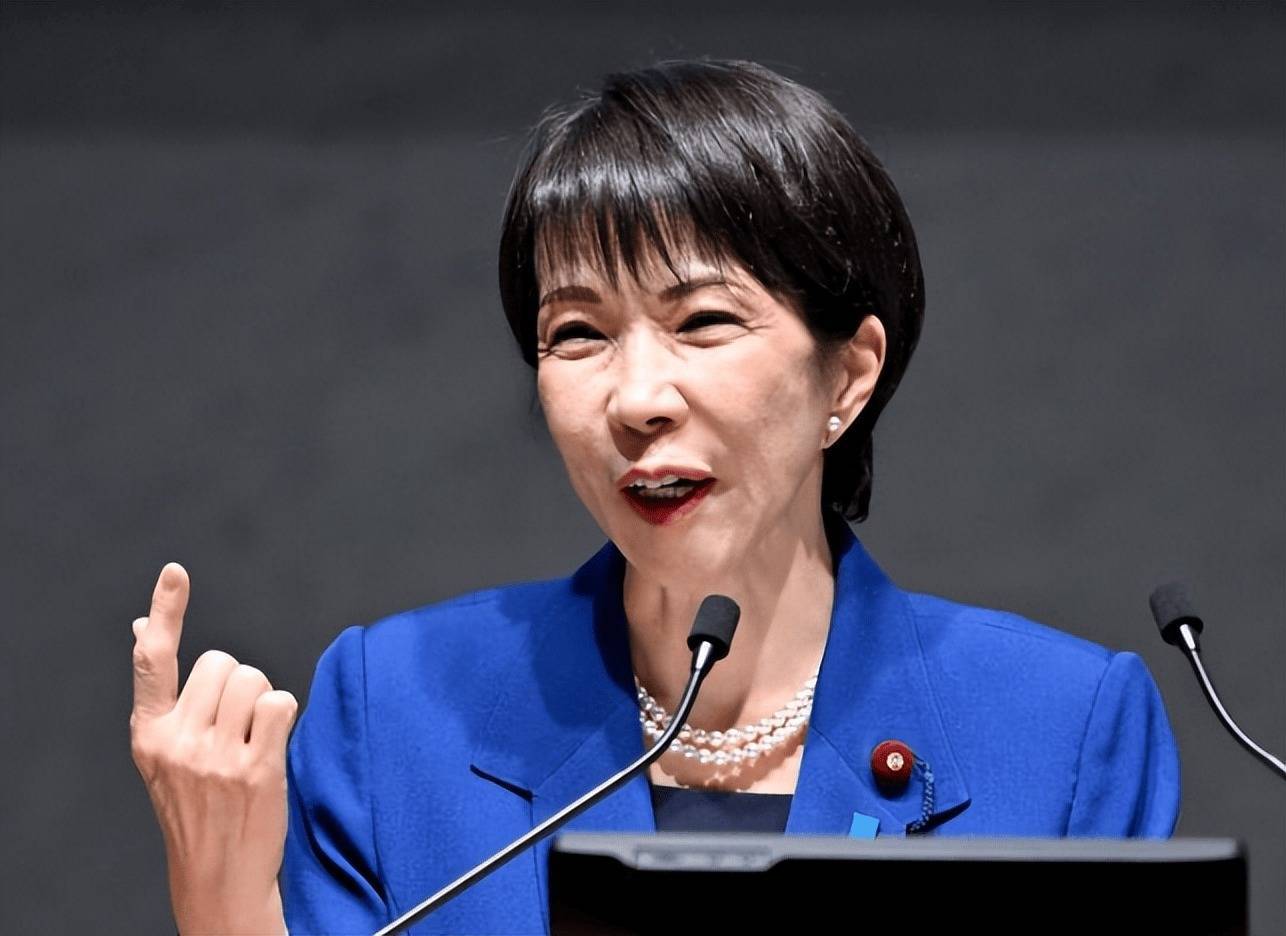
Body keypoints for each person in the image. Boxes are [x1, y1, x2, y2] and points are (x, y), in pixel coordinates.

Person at [131, 59, 1181, 936]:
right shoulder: (396, 710)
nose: (635, 399)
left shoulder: (1060, 728)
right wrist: (222, 899)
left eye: (704, 322)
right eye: (577, 333)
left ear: (847, 375)